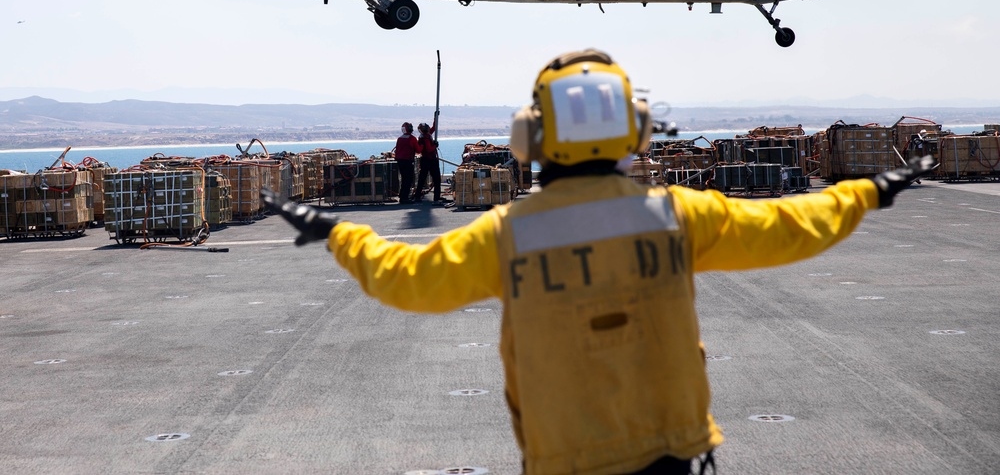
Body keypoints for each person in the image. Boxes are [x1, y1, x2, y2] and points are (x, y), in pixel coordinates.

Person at [263, 49, 933, 475]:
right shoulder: (676, 215)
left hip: (564, 460)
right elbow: (796, 226)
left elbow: (405, 280)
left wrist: (334, 232)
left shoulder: (507, 233)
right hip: (672, 452)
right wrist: (869, 189)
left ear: (531, 135)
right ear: (636, 130)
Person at [413, 114, 441, 202]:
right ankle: (436, 197)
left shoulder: (426, 135)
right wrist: (435, 146)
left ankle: (418, 195)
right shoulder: (425, 137)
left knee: (422, 178)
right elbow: (429, 149)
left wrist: (435, 117)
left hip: (426, 160)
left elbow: (434, 127)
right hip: (430, 159)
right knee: (436, 179)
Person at [394, 122, 420, 204]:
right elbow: (418, 150)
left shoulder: (400, 138)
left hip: (400, 161)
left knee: (404, 179)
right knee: (408, 179)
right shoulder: (412, 138)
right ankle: (404, 198)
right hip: (408, 161)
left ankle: (402, 196)